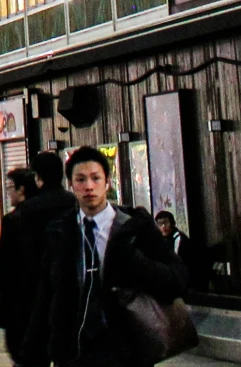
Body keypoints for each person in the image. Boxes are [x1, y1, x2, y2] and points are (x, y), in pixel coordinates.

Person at [20, 146, 185, 367]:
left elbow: (177, 279)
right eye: (80, 179)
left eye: (95, 178)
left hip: (126, 352)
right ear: (71, 185)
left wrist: (134, 260)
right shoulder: (60, 232)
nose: (89, 186)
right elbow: (46, 296)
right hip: (74, 352)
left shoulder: (134, 227)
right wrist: (29, 356)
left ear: (107, 182)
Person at [0, 150, 74, 358]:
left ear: (38, 178)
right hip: (71, 297)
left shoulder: (24, 214)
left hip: (29, 300)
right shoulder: (74, 204)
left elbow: (10, 264)